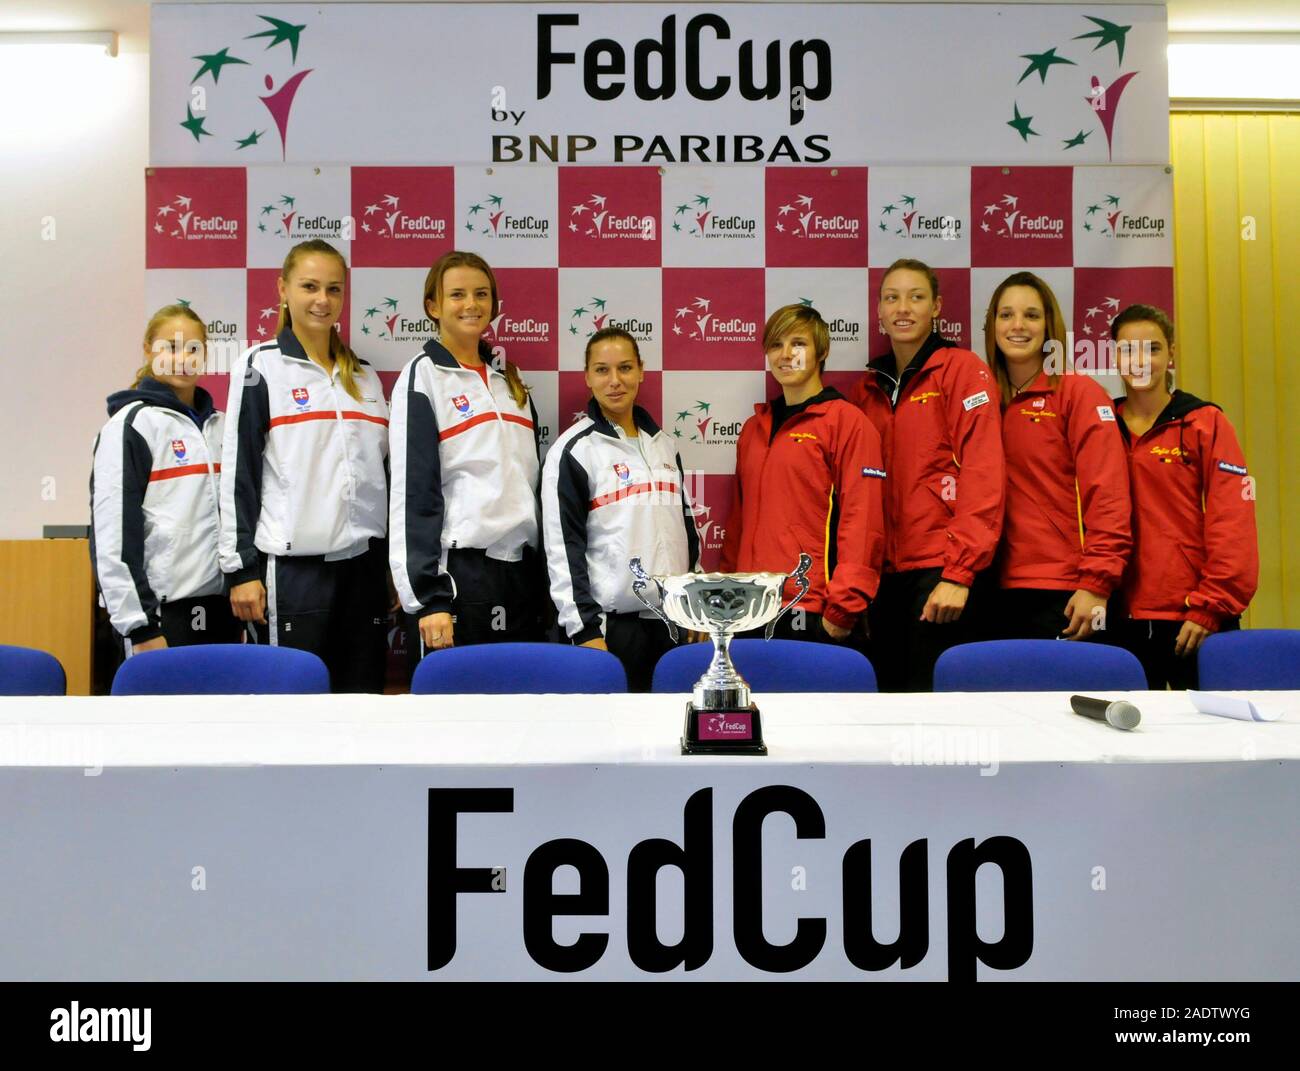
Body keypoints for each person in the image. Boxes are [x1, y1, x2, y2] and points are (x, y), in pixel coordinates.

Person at [220, 240, 391, 693]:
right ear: (282, 290)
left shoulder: (365, 377)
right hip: (295, 571)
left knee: (362, 699)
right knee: (292, 705)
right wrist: (242, 572)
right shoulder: (259, 368)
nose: (323, 300)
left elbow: (384, 474)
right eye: (309, 286)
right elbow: (239, 475)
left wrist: (391, 567)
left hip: (364, 569)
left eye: (334, 289)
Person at [850, 259, 1005, 691]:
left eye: (916, 297)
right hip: (883, 578)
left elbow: (984, 474)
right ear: (879, 310)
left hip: (942, 571)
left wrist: (959, 574)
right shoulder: (868, 387)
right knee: (888, 709)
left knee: (933, 712)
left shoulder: (961, 368)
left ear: (936, 306)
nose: (903, 307)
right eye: (892, 297)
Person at [389, 250, 546, 660]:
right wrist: (429, 597)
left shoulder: (509, 381)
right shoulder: (422, 376)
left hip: (519, 575)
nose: (471, 304)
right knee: (454, 718)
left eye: (481, 294)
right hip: (458, 577)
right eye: (457, 294)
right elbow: (413, 490)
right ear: (433, 306)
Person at [542, 327, 701, 691]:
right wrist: (584, 630)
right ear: (587, 377)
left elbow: (687, 535)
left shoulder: (664, 446)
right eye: (602, 370)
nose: (615, 381)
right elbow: (562, 550)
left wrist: (692, 605)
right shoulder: (573, 451)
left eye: (625, 368)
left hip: (671, 626)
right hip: (611, 631)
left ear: (641, 371)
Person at [720, 304, 884, 649]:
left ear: (821, 351)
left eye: (798, 343)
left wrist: (841, 612)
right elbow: (738, 524)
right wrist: (727, 599)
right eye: (776, 345)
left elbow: (863, 521)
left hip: (813, 612)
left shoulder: (847, 422)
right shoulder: (753, 429)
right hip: (749, 610)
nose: (786, 355)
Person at [1111, 304, 1258, 689]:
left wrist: (1211, 607)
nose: (1140, 361)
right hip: (1117, 619)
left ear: (1171, 353)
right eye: (1128, 350)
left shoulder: (1205, 422)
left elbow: (1233, 521)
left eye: (1153, 349)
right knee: (1126, 741)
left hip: (1193, 619)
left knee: (1209, 743)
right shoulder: (1099, 424)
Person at [984, 272, 1131, 640]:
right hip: (989, 590)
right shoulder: (981, 398)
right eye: (1006, 315)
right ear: (992, 325)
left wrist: (1097, 583)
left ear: (1050, 325)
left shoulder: (1077, 392)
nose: (1018, 326)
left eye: (1031, 315)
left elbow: (1108, 493)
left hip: (1065, 591)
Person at [91, 305, 240, 657]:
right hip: (158, 618)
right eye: (170, 347)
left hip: (223, 609)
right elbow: (112, 536)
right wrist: (139, 625)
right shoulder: (131, 426)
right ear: (148, 349)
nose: (182, 358)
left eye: (193, 349)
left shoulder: (222, 426)